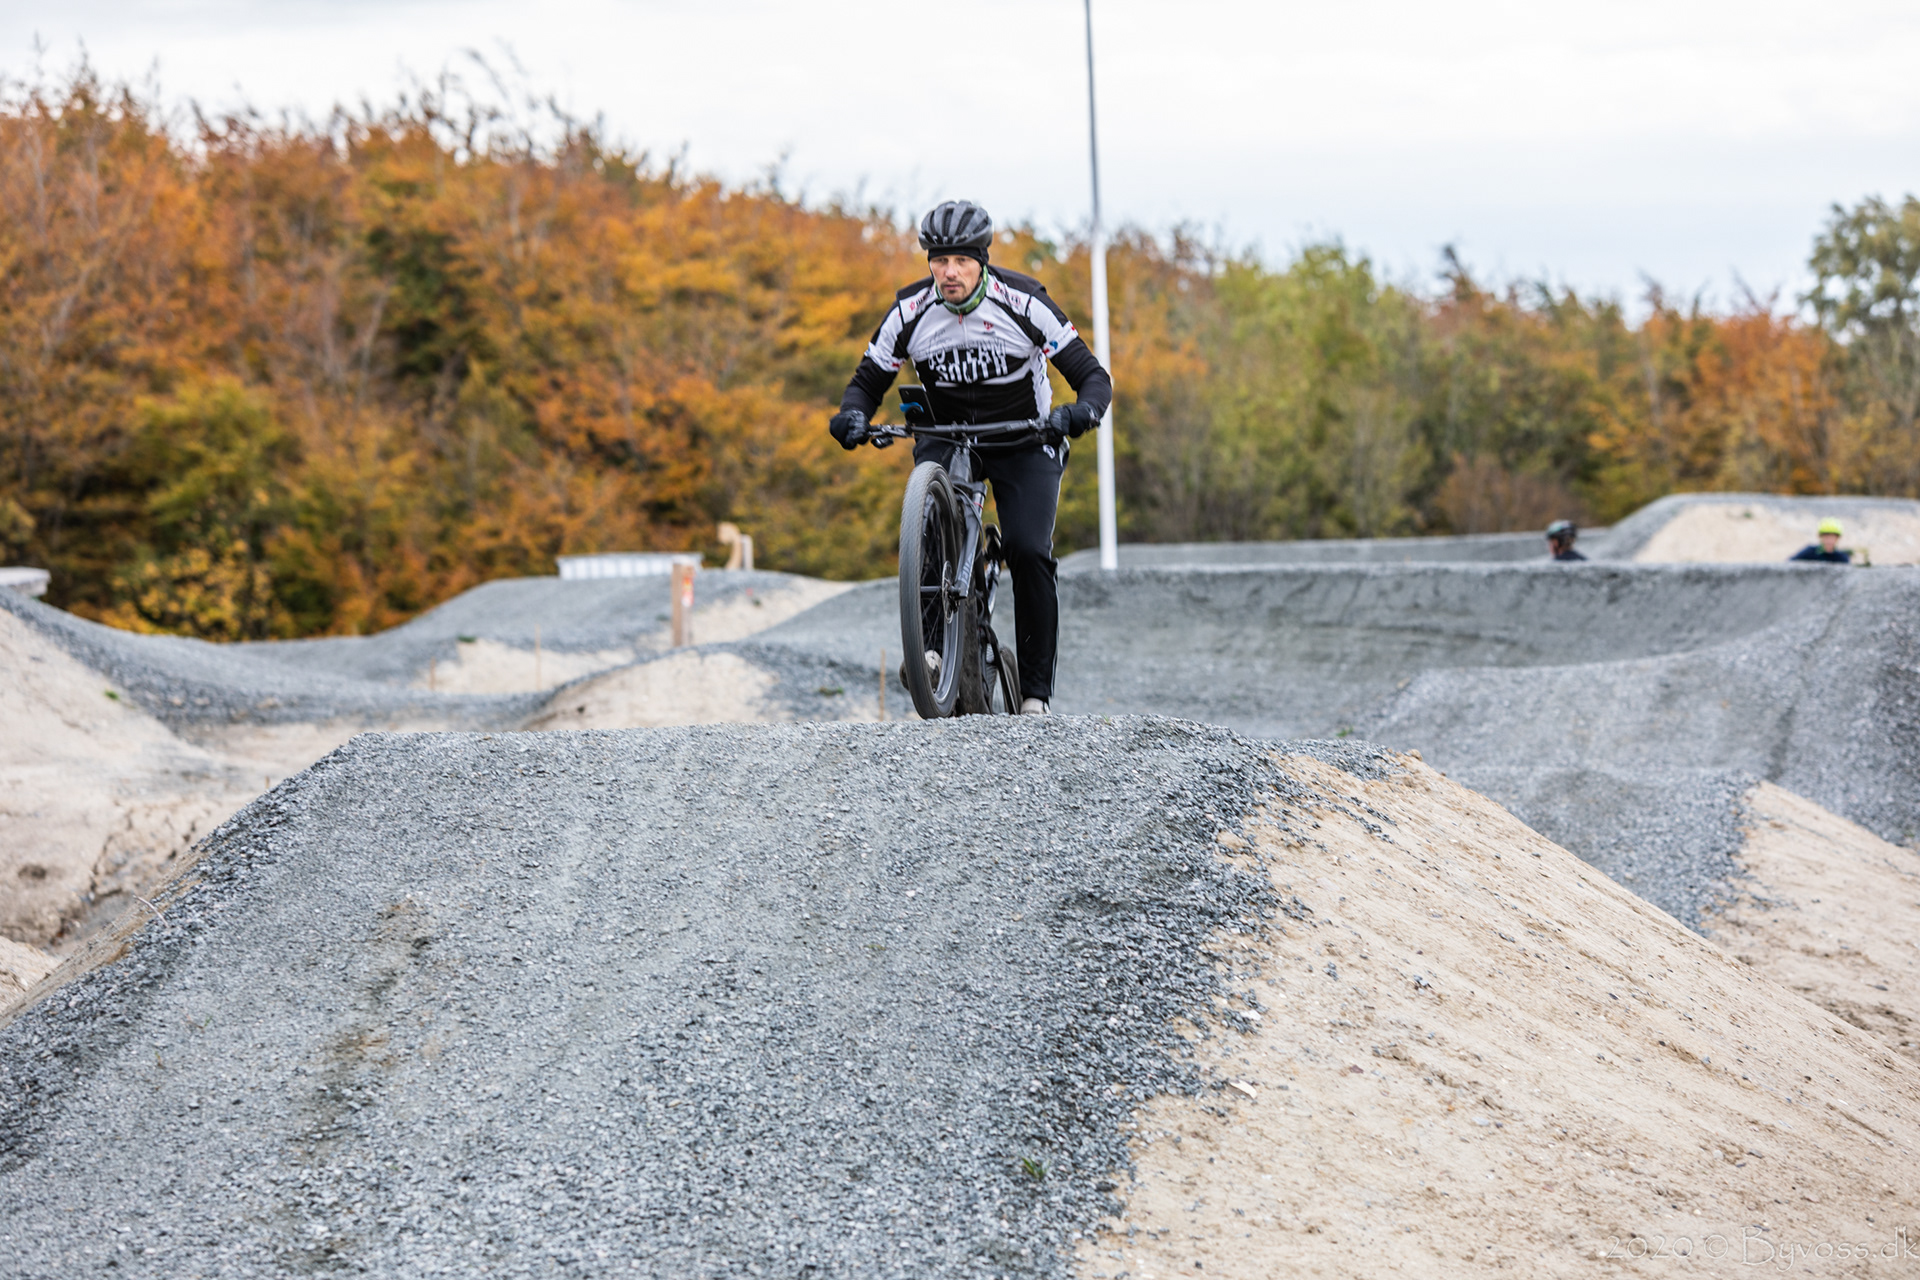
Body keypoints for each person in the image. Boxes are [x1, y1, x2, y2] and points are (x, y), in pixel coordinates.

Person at [827, 200, 1113, 716]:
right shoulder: (910, 311)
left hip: (1024, 436)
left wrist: (1079, 413)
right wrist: (852, 416)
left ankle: (1035, 695)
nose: (950, 272)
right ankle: (932, 651)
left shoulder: (1023, 302)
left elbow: (1093, 377)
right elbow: (866, 382)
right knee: (926, 526)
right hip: (947, 434)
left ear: (981, 261)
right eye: (939, 261)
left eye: (961, 261)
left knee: (1028, 550)